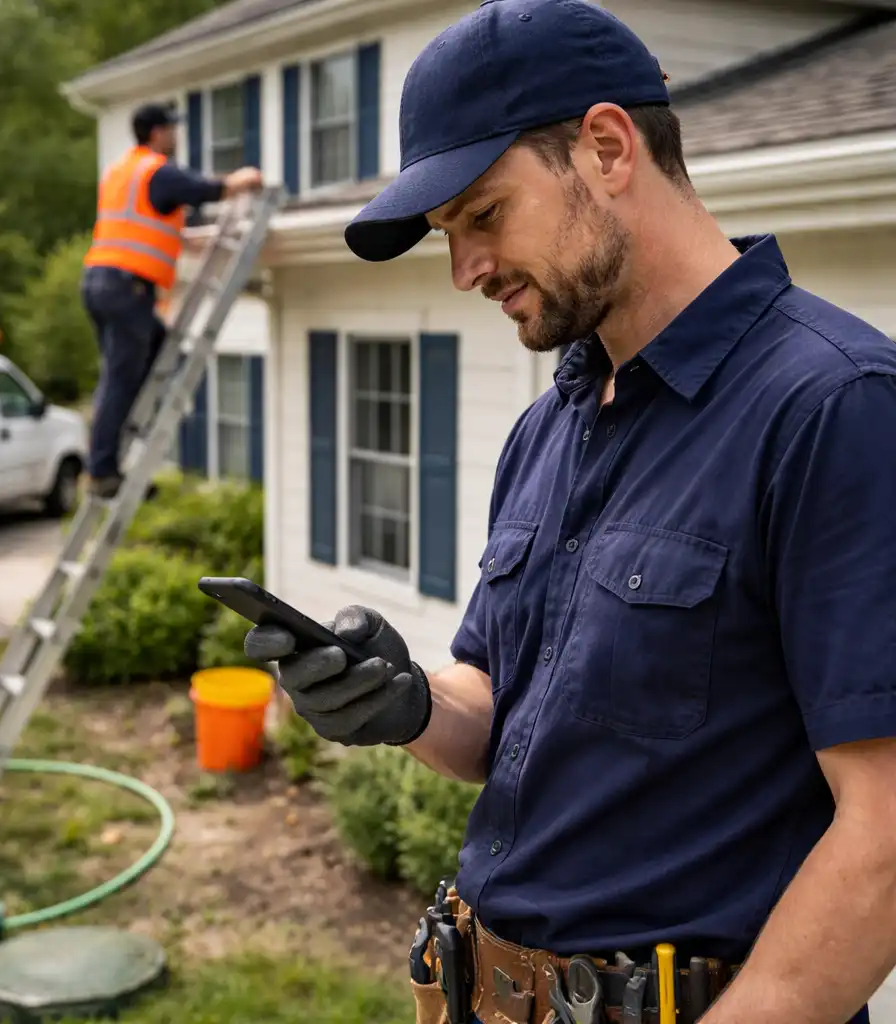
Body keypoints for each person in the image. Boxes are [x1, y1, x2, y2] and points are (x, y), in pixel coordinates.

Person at [243, 1, 896, 1023]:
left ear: (604, 147)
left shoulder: (834, 406)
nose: (465, 272)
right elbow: (506, 709)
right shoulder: (547, 429)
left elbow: (885, 832)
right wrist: (406, 702)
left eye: (483, 216)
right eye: (449, 236)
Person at [81, 102, 263, 498]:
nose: (177, 136)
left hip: (103, 281)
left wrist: (189, 241)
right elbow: (204, 189)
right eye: (172, 129)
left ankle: (112, 450)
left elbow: (148, 224)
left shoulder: (122, 171)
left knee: (153, 354)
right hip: (126, 287)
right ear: (157, 133)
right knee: (121, 377)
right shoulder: (156, 171)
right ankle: (101, 471)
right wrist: (241, 180)